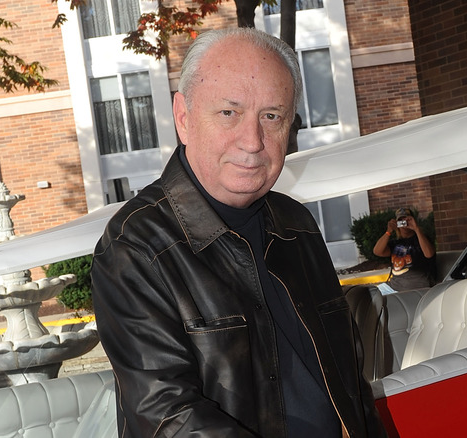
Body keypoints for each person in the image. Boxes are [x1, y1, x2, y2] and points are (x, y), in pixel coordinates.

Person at [91, 27, 387, 438]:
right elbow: (168, 417)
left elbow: (348, 382)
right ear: (183, 118)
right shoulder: (136, 246)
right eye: (229, 113)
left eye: (271, 116)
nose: (252, 142)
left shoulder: (296, 226)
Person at [373, 207, 436, 294]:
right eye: (400, 221)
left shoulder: (422, 239)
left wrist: (416, 229)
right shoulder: (395, 243)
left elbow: (429, 254)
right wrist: (389, 231)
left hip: (416, 287)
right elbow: (377, 251)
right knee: (369, 295)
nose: (404, 224)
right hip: (393, 286)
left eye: (407, 220)